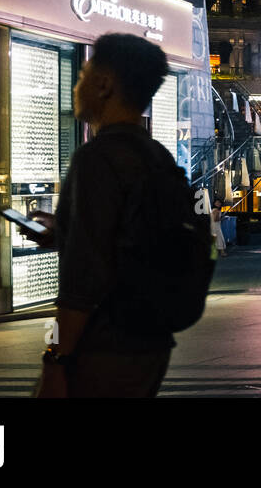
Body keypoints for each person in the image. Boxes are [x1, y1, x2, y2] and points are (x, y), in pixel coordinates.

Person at [30, 33, 181, 398]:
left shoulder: (97, 158)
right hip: (150, 342)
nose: (77, 86)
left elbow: (83, 278)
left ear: (103, 84)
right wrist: (65, 230)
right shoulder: (157, 156)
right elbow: (133, 239)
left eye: (82, 76)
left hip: (103, 347)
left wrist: (58, 359)